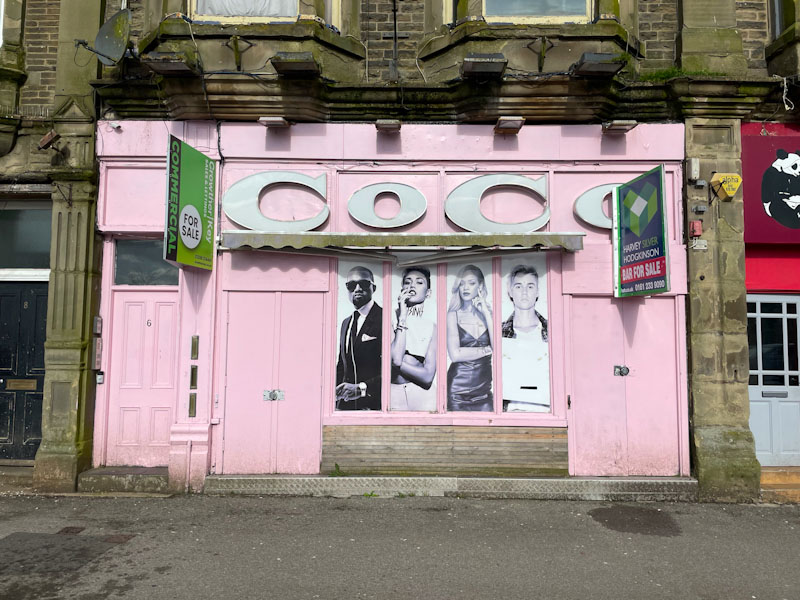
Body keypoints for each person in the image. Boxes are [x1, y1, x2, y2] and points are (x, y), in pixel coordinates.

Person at [501, 264, 550, 412]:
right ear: (510, 292)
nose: (524, 292)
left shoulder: (552, 331)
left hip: (546, 410)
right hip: (510, 411)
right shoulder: (500, 332)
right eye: (518, 286)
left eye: (529, 287)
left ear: (537, 292)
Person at [446, 264, 493, 411]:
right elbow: (455, 355)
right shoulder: (452, 315)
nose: (465, 288)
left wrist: (486, 313)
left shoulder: (489, 314)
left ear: (480, 286)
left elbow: (501, 349)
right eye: (461, 284)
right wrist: (488, 349)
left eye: (471, 283)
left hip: (484, 390)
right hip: (457, 389)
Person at [390, 267, 437, 411]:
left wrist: (394, 363)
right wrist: (402, 316)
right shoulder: (390, 319)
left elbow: (428, 376)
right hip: (393, 393)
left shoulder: (432, 327)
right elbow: (397, 358)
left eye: (419, 282)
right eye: (407, 282)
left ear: (428, 293)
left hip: (423, 396)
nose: (412, 286)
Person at [336, 266, 382, 410]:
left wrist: (362, 388)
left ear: (373, 288)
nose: (357, 289)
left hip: (374, 405)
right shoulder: (346, 323)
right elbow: (342, 365)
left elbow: (394, 368)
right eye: (351, 285)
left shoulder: (384, 318)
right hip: (345, 406)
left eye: (363, 284)